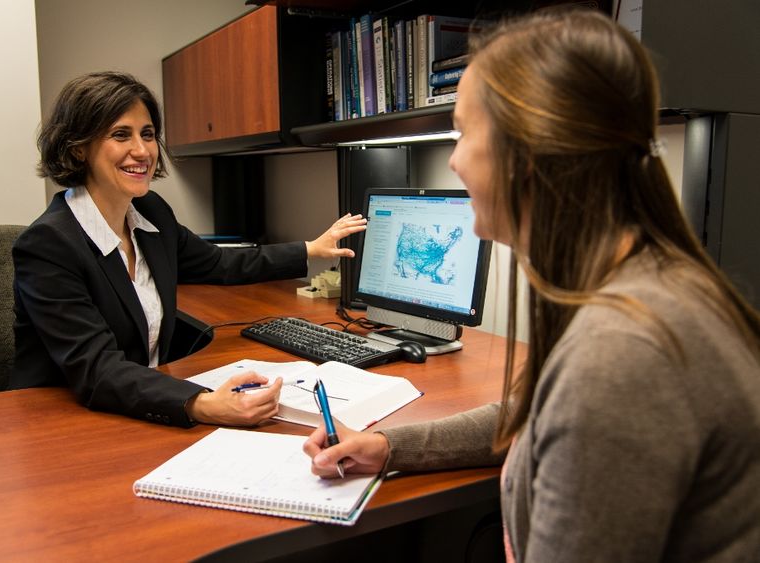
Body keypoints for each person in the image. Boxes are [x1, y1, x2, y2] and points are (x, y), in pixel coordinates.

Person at [304, 9, 760, 561]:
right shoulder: (631, 286)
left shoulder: (620, 355)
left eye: (465, 133)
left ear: (530, 151)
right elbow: (529, 413)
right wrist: (388, 446)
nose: (452, 160)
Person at [11, 71, 366, 428]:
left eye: (147, 134)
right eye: (121, 135)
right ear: (78, 148)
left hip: (139, 405)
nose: (142, 150)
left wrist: (310, 249)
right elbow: (97, 368)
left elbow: (219, 263)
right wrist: (202, 404)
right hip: (64, 421)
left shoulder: (151, 214)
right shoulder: (49, 245)